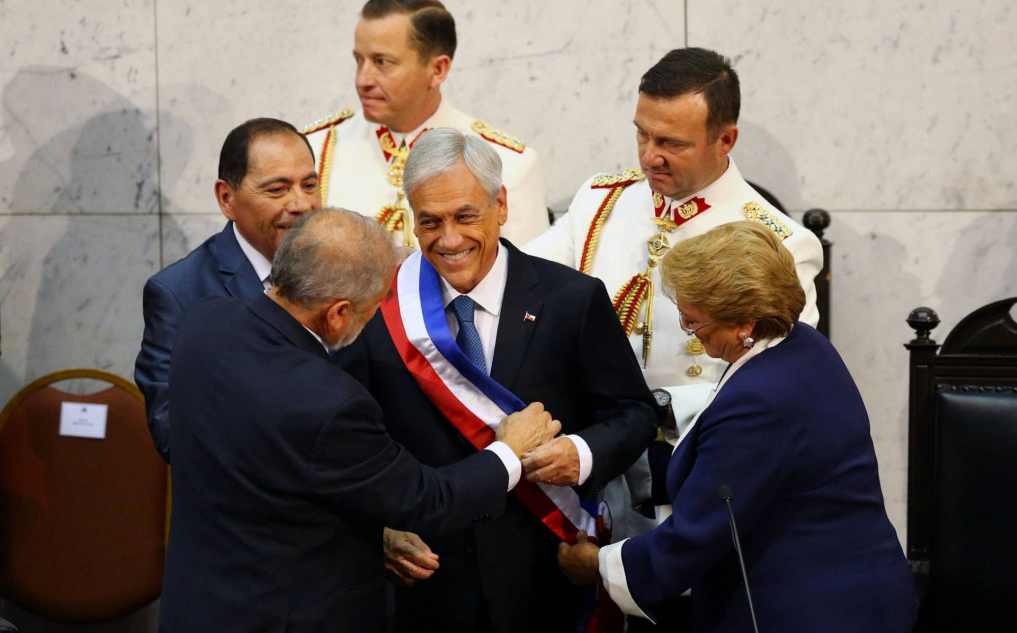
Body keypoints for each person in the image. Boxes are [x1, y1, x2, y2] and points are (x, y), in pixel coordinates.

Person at [159, 208, 562, 633]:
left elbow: (270, 473)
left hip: (198, 604)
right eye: (372, 311)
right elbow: (428, 500)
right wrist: (508, 450)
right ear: (337, 314)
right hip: (288, 616)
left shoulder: (202, 322)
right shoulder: (328, 403)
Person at [338, 128, 657, 633]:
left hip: (544, 576)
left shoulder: (570, 299)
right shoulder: (378, 309)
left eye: (466, 216)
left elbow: (634, 413)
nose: (449, 239)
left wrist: (582, 451)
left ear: (501, 204)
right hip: (426, 586)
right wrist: (378, 529)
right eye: (430, 222)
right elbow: (347, 445)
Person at [557, 221, 918, 632]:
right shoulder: (801, 344)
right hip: (856, 590)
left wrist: (598, 565)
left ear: (744, 323)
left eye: (694, 321)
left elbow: (699, 533)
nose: (687, 329)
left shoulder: (760, 402)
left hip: (806, 610)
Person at [525, 47, 824, 437]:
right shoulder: (601, 199)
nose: (649, 156)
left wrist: (654, 410)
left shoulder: (781, 243)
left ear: (725, 140)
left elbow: (782, 377)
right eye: (642, 133)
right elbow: (524, 279)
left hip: (696, 455)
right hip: (586, 445)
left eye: (672, 143)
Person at [134, 117, 321, 462]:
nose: (302, 204)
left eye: (309, 185)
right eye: (278, 189)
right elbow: (176, 436)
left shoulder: (338, 271)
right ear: (226, 198)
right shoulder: (179, 294)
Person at [302, 0, 549, 248]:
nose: (363, 80)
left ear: (437, 70)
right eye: (358, 60)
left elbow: (531, 283)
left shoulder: (509, 164)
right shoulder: (317, 149)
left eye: (383, 62)